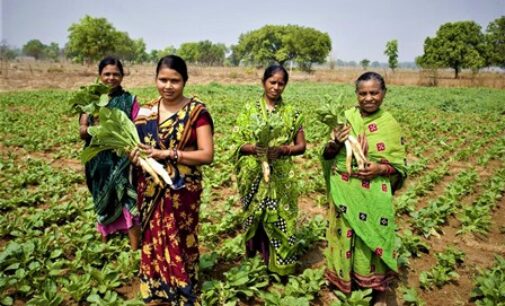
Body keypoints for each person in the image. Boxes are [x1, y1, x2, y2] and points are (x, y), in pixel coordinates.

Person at [130, 55, 214, 305]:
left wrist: (169, 154)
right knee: (152, 239)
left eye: (174, 80)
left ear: (185, 81)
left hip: (182, 190)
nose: (168, 86)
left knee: (181, 236)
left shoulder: (197, 112)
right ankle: (156, 287)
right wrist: (135, 156)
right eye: (162, 79)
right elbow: (135, 147)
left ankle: (182, 286)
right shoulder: (145, 112)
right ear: (155, 79)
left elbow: (207, 154)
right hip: (151, 187)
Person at [321, 71, 407, 305]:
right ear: (356, 95)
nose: (369, 98)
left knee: (374, 235)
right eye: (363, 93)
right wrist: (336, 142)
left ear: (384, 93)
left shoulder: (389, 124)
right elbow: (327, 154)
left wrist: (379, 168)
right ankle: (343, 283)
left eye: (374, 92)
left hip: (374, 192)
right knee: (344, 235)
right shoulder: (345, 118)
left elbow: (399, 166)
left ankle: (376, 288)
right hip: (344, 187)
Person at [232, 64, 306, 276]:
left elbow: (301, 146)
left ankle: (280, 269)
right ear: (263, 82)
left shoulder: (293, 113)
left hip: (281, 177)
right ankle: (256, 264)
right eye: (272, 82)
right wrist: (255, 149)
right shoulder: (249, 110)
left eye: (281, 83)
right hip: (254, 173)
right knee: (256, 218)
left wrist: (283, 149)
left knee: (282, 219)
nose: (276, 87)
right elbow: (236, 142)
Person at [79, 56, 141, 250]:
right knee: (102, 199)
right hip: (98, 160)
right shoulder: (91, 102)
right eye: (107, 74)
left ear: (122, 76)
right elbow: (82, 131)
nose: (111, 78)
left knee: (128, 198)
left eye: (116, 74)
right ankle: (104, 245)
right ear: (99, 76)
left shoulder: (130, 100)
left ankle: (134, 248)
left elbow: (138, 127)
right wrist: (95, 128)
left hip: (123, 159)